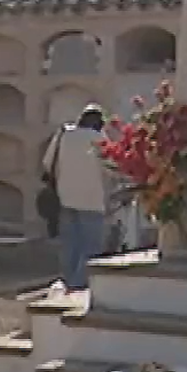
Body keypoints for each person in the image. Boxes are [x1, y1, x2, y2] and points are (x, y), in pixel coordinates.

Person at [41, 103, 111, 290]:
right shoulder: (99, 138)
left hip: (65, 198)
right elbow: (112, 167)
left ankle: (67, 280)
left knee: (69, 244)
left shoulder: (63, 133)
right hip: (91, 200)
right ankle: (79, 284)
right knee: (90, 246)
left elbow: (47, 163)